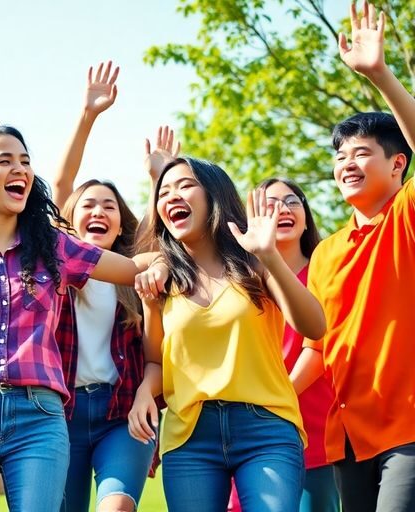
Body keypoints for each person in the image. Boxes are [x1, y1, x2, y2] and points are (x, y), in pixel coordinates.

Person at [0, 122, 157, 511]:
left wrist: (178, 256)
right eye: (5, 161)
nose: (21, 169)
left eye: (25, 161)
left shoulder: (54, 247)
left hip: (39, 416)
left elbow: (132, 268)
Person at [128, 157, 326, 511]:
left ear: (214, 193)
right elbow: (156, 359)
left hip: (266, 427)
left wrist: (270, 257)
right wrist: (145, 390)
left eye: (185, 185)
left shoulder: (254, 264)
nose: (172, 195)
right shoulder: (162, 276)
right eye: (164, 191)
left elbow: (313, 327)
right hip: (190, 435)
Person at [290, 3, 415, 510]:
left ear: (398, 163)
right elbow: (318, 347)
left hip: (408, 425)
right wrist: (272, 394)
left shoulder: (405, 217)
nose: (347, 163)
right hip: (346, 436)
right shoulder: (325, 253)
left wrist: (380, 74)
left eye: (361, 152)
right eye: (339, 157)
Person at [52, 61, 173, 512]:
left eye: (108, 205)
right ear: (70, 216)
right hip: (58, 415)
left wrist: (159, 177)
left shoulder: (133, 271)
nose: (98, 211)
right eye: (88, 204)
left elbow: (159, 238)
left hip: (122, 412)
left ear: (121, 220)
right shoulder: (54, 262)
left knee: (117, 506)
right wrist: (88, 116)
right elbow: (60, 184)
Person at [228, 178, 338, 512]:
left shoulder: (327, 268)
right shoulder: (242, 281)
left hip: (314, 428)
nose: (282, 209)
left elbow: (320, 346)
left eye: (292, 201)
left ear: (306, 215)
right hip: (249, 430)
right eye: (269, 203)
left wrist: (276, 399)